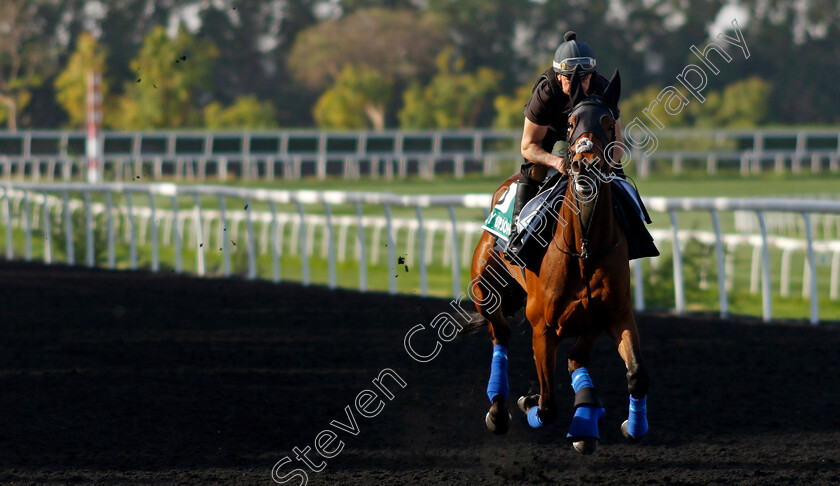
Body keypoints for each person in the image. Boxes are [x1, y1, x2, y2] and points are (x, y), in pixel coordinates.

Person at [504, 30, 626, 260]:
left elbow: (617, 142)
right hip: (549, 131)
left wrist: (607, 165)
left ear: (593, 76)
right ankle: (517, 236)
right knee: (535, 168)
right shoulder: (545, 92)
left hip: (589, 134)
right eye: (570, 79)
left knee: (616, 174)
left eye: (584, 79)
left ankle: (635, 233)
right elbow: (528, 145)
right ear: (558, 76)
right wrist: (557, 162)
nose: (578, 87)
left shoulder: (602, 89)